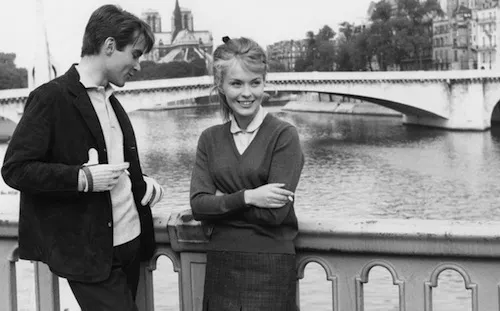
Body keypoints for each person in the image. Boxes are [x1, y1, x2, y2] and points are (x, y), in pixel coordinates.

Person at [1, 5, 164, 311]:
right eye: (136, 54)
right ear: (110, 46)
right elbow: (15, 170)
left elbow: (113, 166)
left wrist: (141, 184)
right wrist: (81, 178)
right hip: (90, 255)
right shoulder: (51, 98)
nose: (139, 65)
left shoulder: (111, 100)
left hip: (130, 243)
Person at [190, 36, 304, 311]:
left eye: (255, 83)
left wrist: (222, 202)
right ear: (221, 86)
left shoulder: (283, 135)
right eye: (236, 83)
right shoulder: (210, 138)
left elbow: (275, 214)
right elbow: (198, 206)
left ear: (265, 83)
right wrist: (250, 196)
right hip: (222, 264)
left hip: (271, 265)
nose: (247, 93)